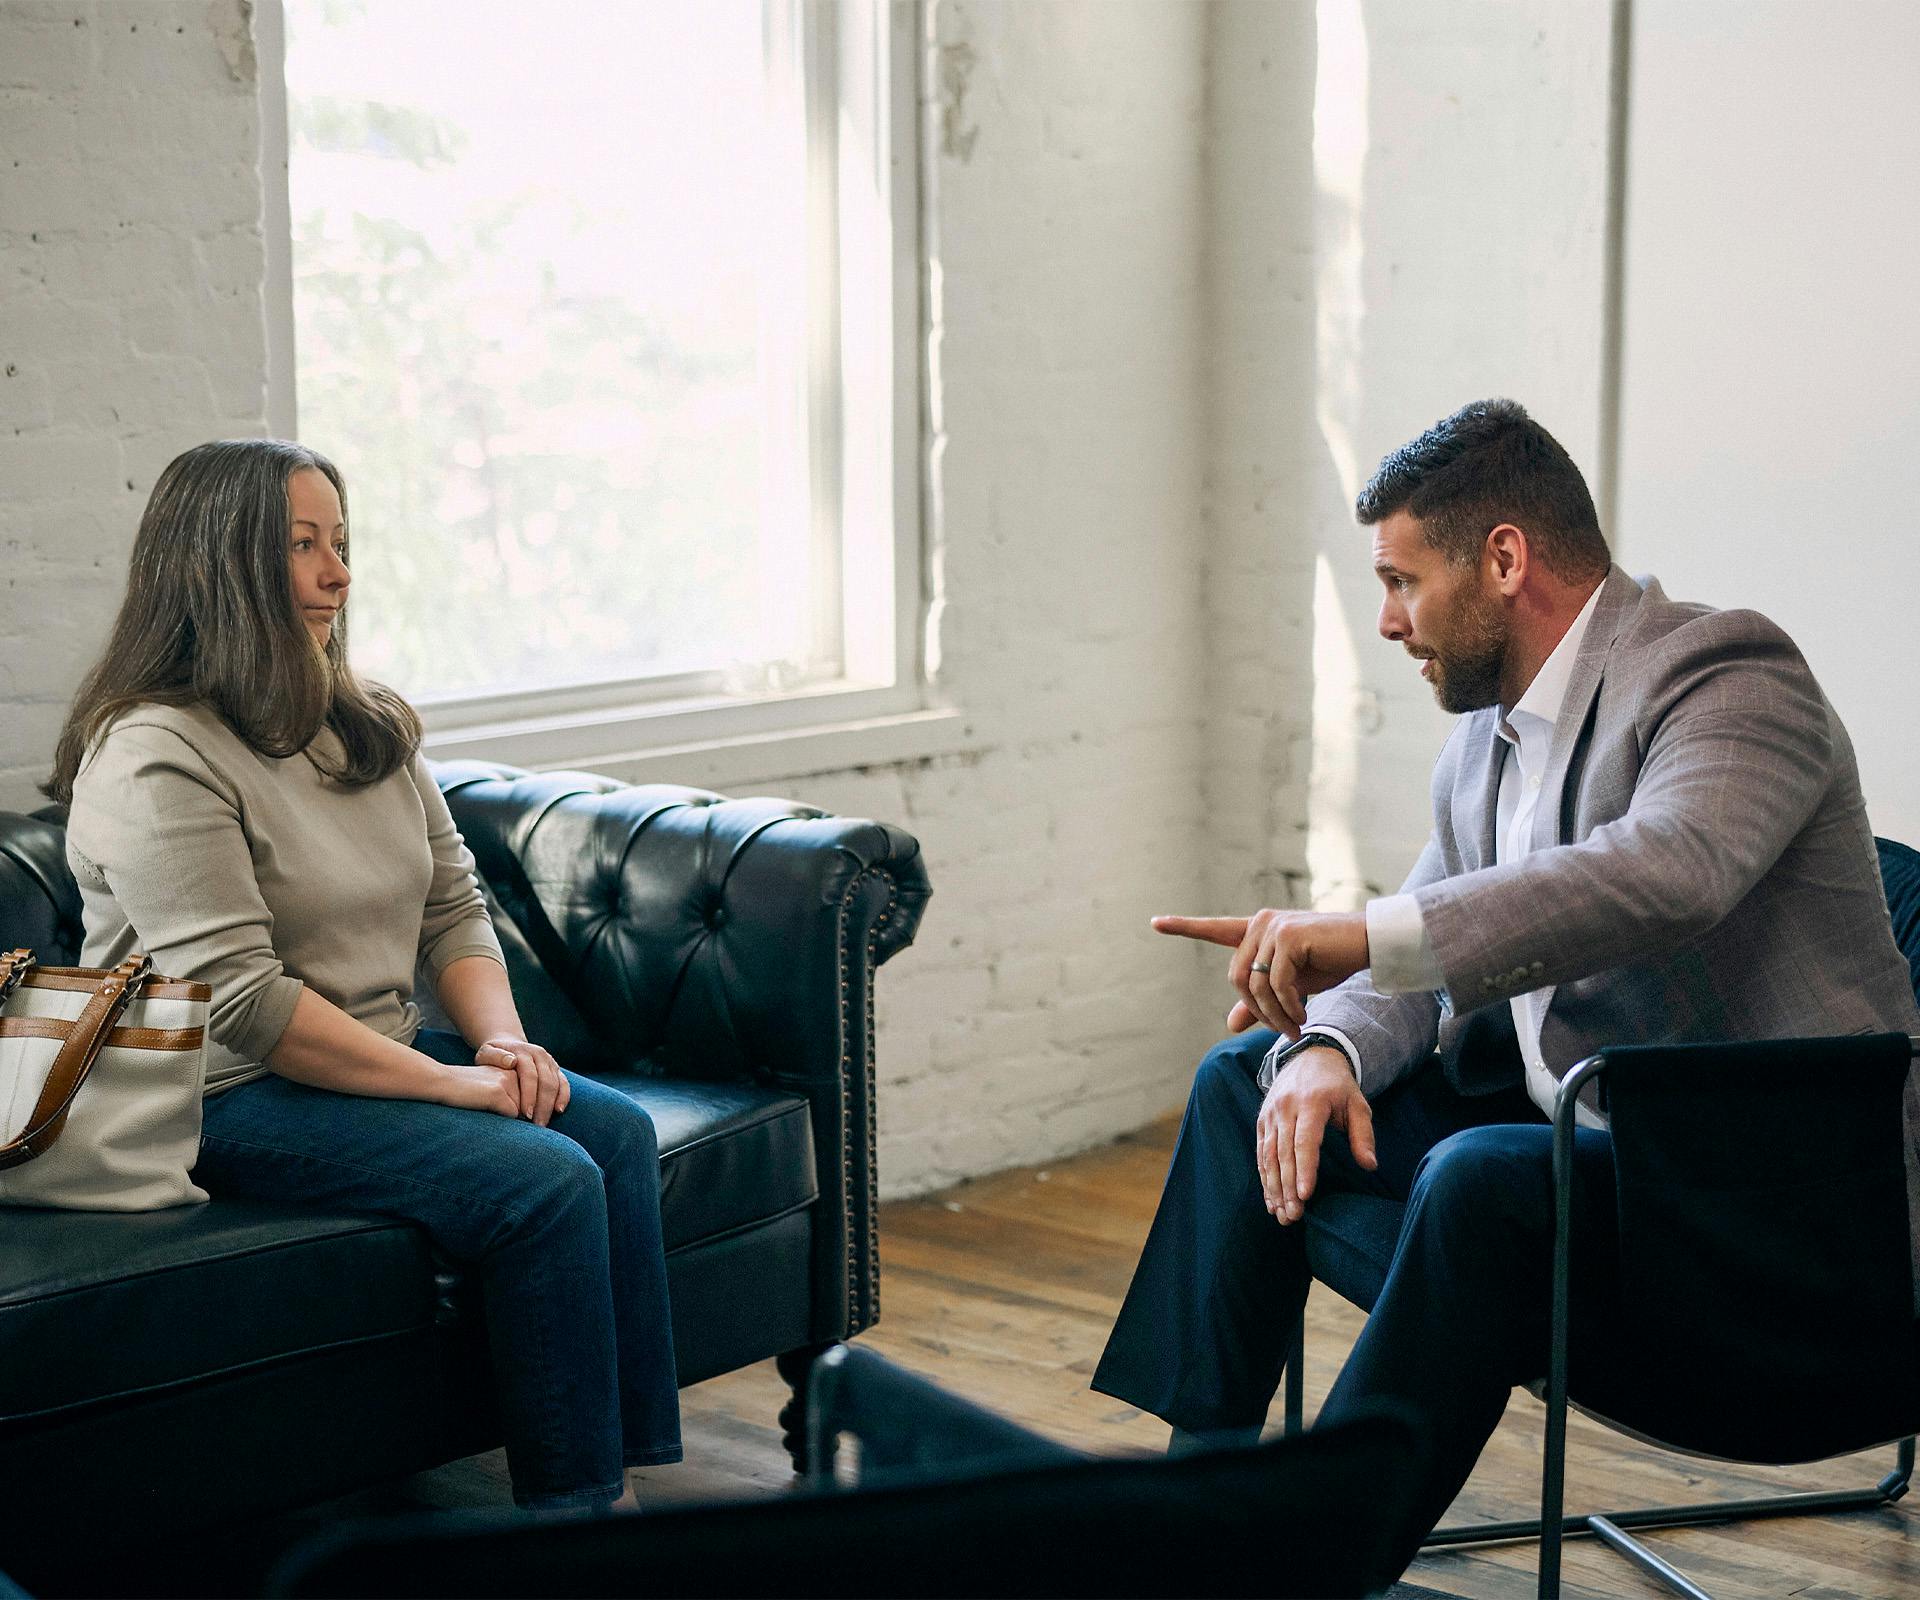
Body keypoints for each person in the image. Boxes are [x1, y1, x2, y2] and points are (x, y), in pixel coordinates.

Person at [1091, 398, 1920, 1568]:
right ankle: (1198, 1518)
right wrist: (1324, 1050)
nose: (1386, 621)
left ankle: (1308, 1560)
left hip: (1773, 1218)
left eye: (1401, 580)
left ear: (1505, 559)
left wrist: (1364, 935)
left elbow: (1665, 872)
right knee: (1250, 1077)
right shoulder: (1489, 737)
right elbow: (1419, 963)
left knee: (1483, 1182)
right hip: (1594, 1169)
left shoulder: (1728, 672)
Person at [44, 438, 680, 1515]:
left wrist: (501, 1045)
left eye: (340, 541)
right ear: (222, 565)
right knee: (544, 1175)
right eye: (302, 546)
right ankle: (575, 1522)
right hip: (221, 1089)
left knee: (606, 1128)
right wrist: (450, 1087)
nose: (339, 572)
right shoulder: (154, 752)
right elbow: (242, 1000)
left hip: (360, 1057)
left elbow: (451, 905)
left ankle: (614, 1475)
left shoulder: (361, 717)